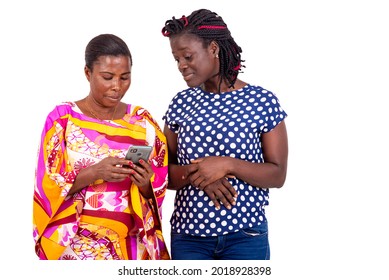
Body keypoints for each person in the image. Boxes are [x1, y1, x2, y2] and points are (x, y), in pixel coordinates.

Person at [161, 9, 288, 260]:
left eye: (187, 56)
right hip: (189, 238)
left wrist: (227, 165)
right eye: (177, 59)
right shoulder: (180, 103)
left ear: (214, 49)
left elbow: (277, 174)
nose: (181, 66)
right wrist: (202, 174)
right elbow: (164, 173)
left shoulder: (261, 101)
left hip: (245, 236)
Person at [33, 34, 170, 260]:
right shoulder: (63, 119)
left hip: (131, 247)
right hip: (76, 248)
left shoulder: (143, 121)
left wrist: (146, 184)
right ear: (88, 73)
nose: (117, 86)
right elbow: (47, 183)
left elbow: (160, 182)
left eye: (125, 77)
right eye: (107, 77)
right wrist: (94, 173)